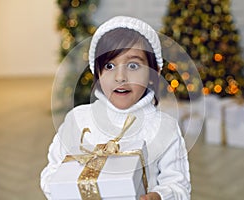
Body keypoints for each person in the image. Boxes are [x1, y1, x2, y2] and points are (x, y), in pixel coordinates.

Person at [40, 16, 191, 200]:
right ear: (97, 72)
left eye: (133, 65)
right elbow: (51, 175)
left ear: (154, 73)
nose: (120, 77)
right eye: (110, 65)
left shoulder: (165, 128)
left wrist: (160, 196)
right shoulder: (78, 120)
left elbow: (179, 187)